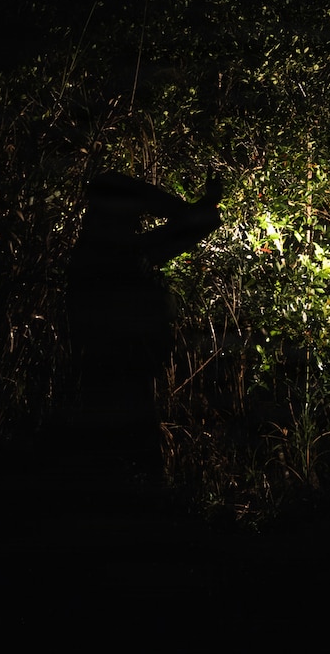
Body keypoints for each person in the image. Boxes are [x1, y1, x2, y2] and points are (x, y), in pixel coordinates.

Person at [64, 171, 223, 476]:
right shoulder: (116, 254)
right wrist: (188, 205)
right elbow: (193, 222)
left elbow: (196, 221)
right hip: (115, 378)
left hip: (116, 379)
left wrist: (198, 205)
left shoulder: (111, 252)